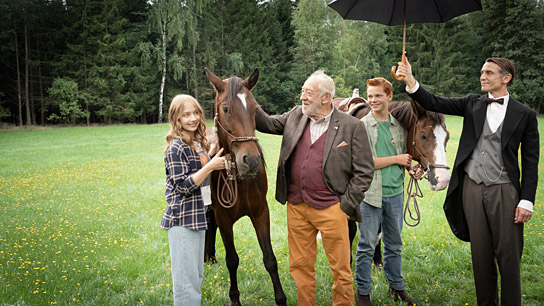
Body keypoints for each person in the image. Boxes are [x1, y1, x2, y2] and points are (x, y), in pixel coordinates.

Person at [397, 58, 539, 305]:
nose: (483, 76)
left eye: (489, 73)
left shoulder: (524, 115)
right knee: (480, 256)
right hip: (471, 188)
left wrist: (526, 200)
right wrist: (410, 79)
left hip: (504, 190)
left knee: (508, 256)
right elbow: (434, 102)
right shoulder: (472, 103)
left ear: (506, 78)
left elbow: (530, 161)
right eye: (482, 72)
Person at [255, 70, 374, 306]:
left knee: (340, 269)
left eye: (308, 93)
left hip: (332, 208)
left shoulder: (351, 126)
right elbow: (266, 123)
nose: (303, 97)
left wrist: (345, 205)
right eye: (302, 92)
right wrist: (245, 96)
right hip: (297, 206)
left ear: (326, 97)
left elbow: (364, 171)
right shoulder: (295, 116)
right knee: (300, 267)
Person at [355, 77, 418, 306]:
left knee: (394, 245)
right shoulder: (362, 126)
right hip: (370, 195)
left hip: (395, 193)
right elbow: (363, 163)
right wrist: (397, 159)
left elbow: (405, 157)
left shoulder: (398, 126)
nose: (373, 100)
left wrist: (412, 168)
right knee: (366, 246)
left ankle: (396, 287)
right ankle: (363, 294)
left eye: (378, 95)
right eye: (370, 96)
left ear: (389, 97)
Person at [160, 94, 226, 306]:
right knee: (186, 283)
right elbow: (183, 186)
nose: (193, 118)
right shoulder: (176, 148)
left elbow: (203, 161)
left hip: (198, 217)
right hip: (182, 221)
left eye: (196, 112)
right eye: (186, 115)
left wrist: (212, 155)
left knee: (196, 276)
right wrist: (211, 166)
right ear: (176, 119)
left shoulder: (196, 144)